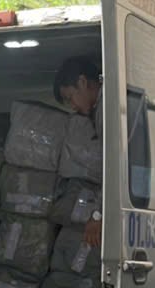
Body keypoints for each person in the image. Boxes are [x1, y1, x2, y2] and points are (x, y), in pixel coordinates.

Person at [53, 55, 103, 249]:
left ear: (82, 82)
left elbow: (116, 166)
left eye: (70, 97)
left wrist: (98, 215)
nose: (72, 106)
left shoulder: (108, 109)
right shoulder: (100, 110)